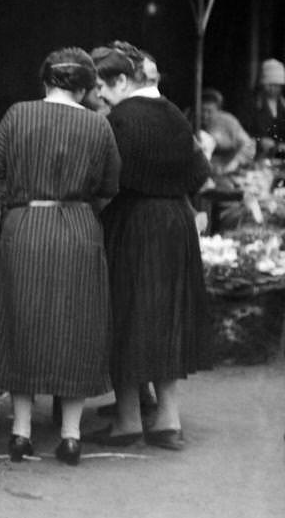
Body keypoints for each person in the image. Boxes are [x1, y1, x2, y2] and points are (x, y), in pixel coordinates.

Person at [0, 48, 120, 466]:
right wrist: (80, 207)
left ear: (45, 81)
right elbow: (111, 185)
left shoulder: (17, 115)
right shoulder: (99, 126)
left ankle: (20, 432)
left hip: (24, 230)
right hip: (79, 231)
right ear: (85, 88)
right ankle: (71, 436)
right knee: (77, 327)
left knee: (21, 323)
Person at [86, 42, 211, 452]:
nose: (99, 96)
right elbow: (200, 173)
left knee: (125, 314)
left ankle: (126, 421)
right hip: (175, 223)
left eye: (102, 87)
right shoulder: (174, 114)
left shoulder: (120, 120)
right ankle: (167, 420)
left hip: (133, 222)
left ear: (122, 80)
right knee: (166, 314)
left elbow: (107, 181)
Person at [199, 88, 255, 177]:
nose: (205, 115)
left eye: (209, 111)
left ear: (218, 111)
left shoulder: (228, 121)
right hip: (205, 168)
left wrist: (234, 163)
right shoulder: (192, 120)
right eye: (202, 110)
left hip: (231, 166)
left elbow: (248, 145)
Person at [248, 58, 285, 157]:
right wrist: (259, 140)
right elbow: (243, 132)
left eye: (277, 85)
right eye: (270, 85)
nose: (273, 88)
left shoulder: (283, 105)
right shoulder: (253, 104)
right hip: (257, 156)